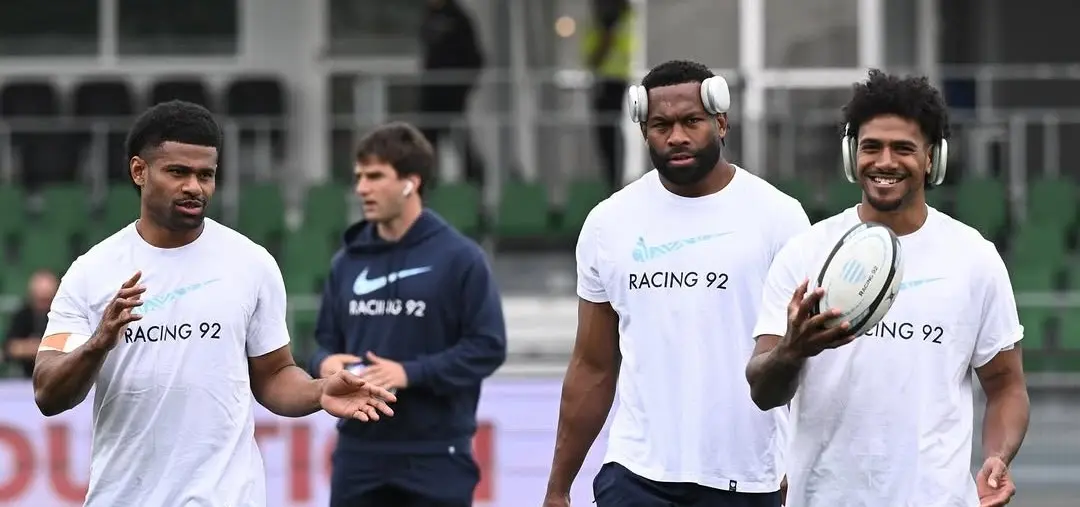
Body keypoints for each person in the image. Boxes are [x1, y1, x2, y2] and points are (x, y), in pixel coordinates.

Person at [31, 100, 397, 507]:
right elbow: (48, 393)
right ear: (139, 171)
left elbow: (274, 375)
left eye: (206, 175)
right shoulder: (91, 271)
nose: (195, 187)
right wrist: (98, 343)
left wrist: (319, 391)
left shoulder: (251, 262)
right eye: (178, 172)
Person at [745, 70, 1030, 507]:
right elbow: (763, 392)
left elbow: (1006, 386)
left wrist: (997, 456)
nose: (885, 162)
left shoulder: (974, 258)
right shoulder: (806, 254)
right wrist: (793, 349)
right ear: (850, 153)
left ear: (932, 158)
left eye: (904, 149)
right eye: (871, 146)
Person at [543, 60, 809, 507]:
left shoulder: (778, 217)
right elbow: (592, 366)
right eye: (661, 125)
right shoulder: (609, 223)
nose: (677, 137)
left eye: (692, 122)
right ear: (643, 130)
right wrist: (557, 487)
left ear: (721, 123)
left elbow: (800, 357)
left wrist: (792, 463)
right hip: (634, 475)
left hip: (746, 477)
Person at [310, 121, 507, 507]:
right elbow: (323, 343)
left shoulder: (460, 258)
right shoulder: (347, 261)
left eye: (375, 176)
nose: (362, 188)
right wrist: (325, 362)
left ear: (411, 182)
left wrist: (409, 373)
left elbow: (487, 347)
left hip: (435, 453)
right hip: (359, 452)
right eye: (359, 177)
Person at [419, 0, 487, 187]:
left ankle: (474, 179)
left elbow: (476, 58)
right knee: (428, 140)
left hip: (451, 92)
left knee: (459, 138)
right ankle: (427, 184)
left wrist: (462, 88)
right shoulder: (429, 16)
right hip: (432, 91)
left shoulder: (458, 18)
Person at [582, 0, 635, 191]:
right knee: (608, 133)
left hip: (610, 80)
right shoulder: (616, 17)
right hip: (610, 78)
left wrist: (595, 56)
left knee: (608, 133)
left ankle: (613, 182)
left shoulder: (612, 20)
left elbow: (599, 53)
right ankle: (611, 180)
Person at [2, 269, 58, 378]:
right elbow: (10, 348)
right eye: (40, 299)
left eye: (47, 300)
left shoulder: (62, 315)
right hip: (25, 377)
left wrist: (29, 347)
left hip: (56, 376)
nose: (43, 305)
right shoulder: (23, 315)